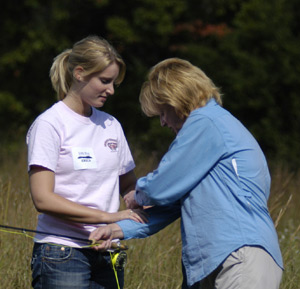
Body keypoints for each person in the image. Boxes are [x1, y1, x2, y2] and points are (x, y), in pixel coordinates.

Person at [89, 58, 284, 289]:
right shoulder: (211, 130)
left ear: (176, 98)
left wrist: (137, 194)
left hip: (240, 256)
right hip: (222, 259)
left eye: (162, 112)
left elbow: (160, 186)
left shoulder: (206, 122)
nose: (162, 123)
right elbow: (170, 205)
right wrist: (115, 230)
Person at [26, 35, 146, 289]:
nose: (111, 90)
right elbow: (42, 199)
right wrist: (107, 217)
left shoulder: (112, 125)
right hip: (61, 254)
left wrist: (142, 200)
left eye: (113, 82)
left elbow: (128, 184)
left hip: (107, 251)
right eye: (104, 81)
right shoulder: (49, 124)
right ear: (79, 73)